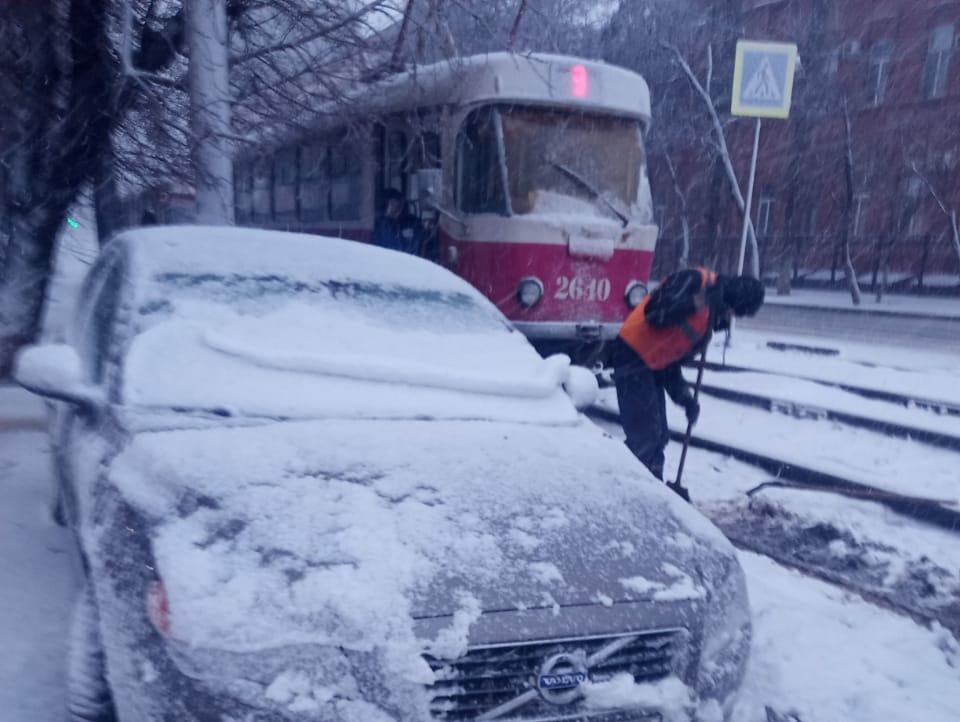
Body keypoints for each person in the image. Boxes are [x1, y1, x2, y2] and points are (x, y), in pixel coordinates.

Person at [611, 267, 765, 482]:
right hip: (630, 354)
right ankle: (631, 488)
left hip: (650, 364)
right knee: (646, 438)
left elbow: (669, 363)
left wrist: (685, 398)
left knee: (658, 436)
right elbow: (655, 315)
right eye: (733, 312)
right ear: (732, 301)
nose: (730, 317)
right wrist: (695, 302)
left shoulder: (708, 320)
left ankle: (651, 485)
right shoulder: (695, 282)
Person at [373, 188, 421, 254]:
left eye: (399, 204)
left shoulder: (411, 222)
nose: (397, 208)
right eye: (391, 204)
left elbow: (414, 244)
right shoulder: (381, 224)